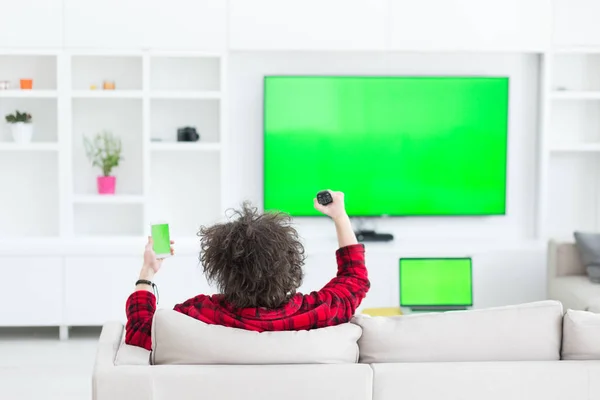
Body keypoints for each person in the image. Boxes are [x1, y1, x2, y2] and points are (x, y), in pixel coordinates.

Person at [125, 190, 369, 350]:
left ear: (220, 268)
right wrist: (339, 216)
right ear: (291, 262)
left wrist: (147, 272)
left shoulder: (196, 316)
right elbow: (354, 277)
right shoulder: (320, 313)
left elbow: (139, 330)